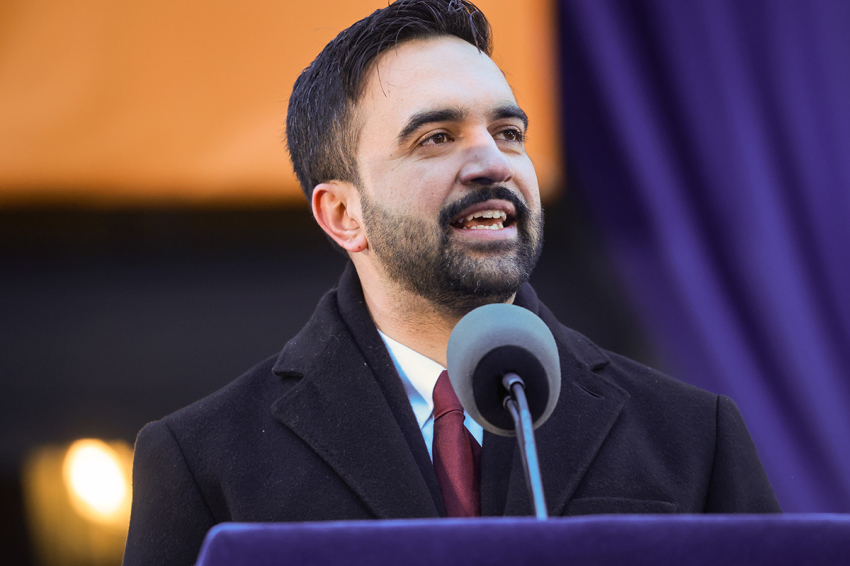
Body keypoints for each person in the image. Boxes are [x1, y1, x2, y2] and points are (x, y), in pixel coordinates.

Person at [122, 1, 780, 564]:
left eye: (508, 132)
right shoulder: (203, 461)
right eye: (436, 138)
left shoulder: (693, 436)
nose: (493, 162)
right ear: (343, 215)